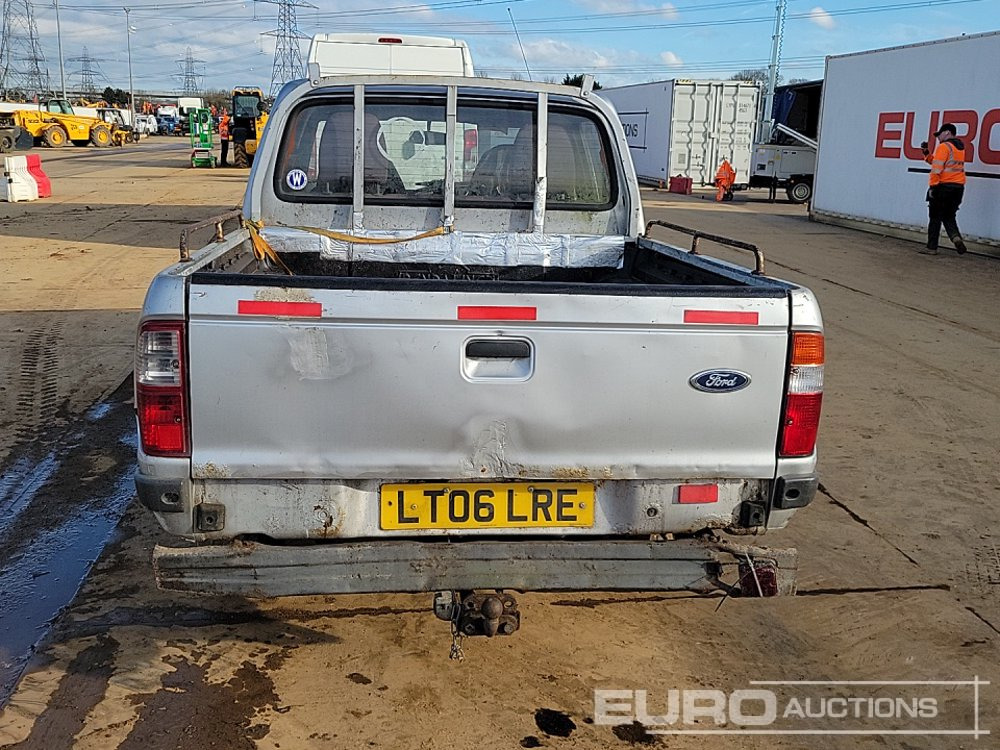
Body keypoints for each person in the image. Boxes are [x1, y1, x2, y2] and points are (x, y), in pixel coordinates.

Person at [920, 122, 967, 255]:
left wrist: (933, 187)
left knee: (935, 217)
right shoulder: (959, 148)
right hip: (958, 188)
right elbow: (940, 162)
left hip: (943, 187)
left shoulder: (943, 146)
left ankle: (931, 248)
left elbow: (936, 169)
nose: (938, 137)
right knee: (949, 215)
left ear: (947, 132)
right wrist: (927, 154)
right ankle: (956, 238)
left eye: (939, 134)